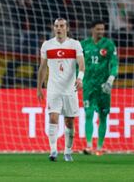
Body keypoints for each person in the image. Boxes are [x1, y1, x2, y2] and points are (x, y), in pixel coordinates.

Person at [37, 18, 85, 162]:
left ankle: (68, 151)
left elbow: (81, 64)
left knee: (69, 122)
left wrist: (80, 78)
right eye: (56, 26)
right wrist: (39, 87)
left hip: (70, 90)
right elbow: (43, 68)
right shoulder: (47, 45)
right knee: (53, 117)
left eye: (62, 26)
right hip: (53, 89)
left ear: (67, 28)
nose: (59, 28)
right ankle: (53, 151)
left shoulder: (75, 44)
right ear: (54, 28)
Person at [81, 20, 118, 156]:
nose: (101, 32)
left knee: (103, 116)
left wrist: (111, 79)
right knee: (89, 114)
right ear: (92, 30)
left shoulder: (108, 45)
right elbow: (76, 64)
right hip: (88, 85)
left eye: (102, 29)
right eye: (98, 29)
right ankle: (89, 146)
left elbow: (114, 64)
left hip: (103, 86)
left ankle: (100, 147)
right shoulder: (84, 45)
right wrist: (78, 79)